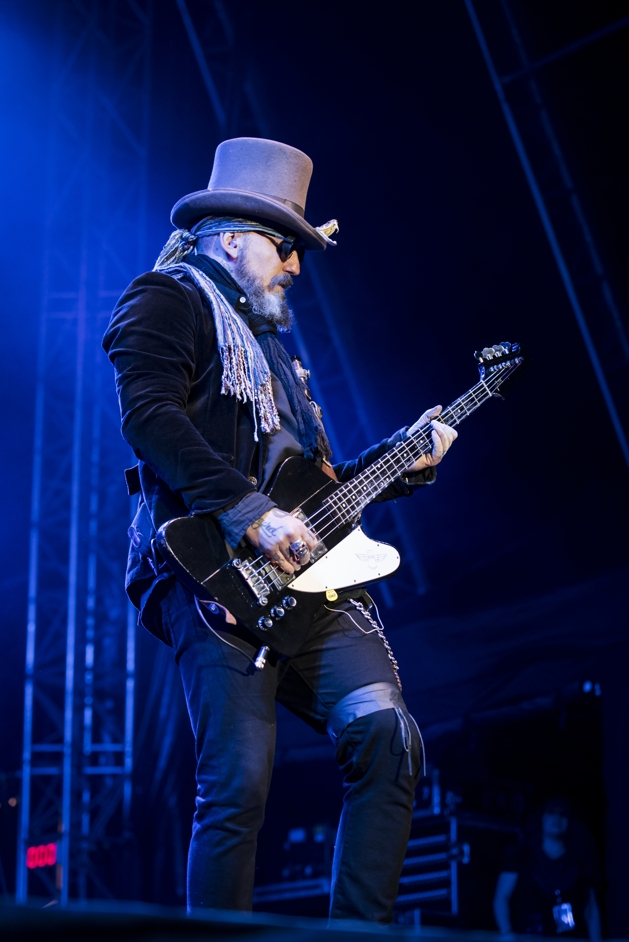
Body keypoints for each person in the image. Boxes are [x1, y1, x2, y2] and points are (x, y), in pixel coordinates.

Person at [103, 137, 458, 922]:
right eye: (284, 245)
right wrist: (249, 514)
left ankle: (356, 935)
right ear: (232, 239)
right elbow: (149, 417)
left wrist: (403, 461)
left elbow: (315, 489)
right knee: (236, 785)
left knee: (389, 739)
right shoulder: (165, 299)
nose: (296, 265)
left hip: (310, 581)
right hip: (210, 571)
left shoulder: (275, 354)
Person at [493, 799, 602, 939]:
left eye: (563, 814)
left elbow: (591, 910)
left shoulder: (580, 863)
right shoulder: (520, 858)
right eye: (551, 812)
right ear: (541, 818)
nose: (557, 818)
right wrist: (507, 933)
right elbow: (501, 898)